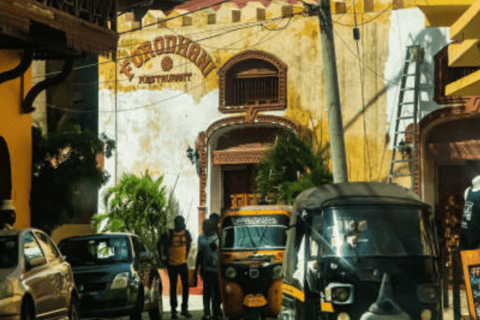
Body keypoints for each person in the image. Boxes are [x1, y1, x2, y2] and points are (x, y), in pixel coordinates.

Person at [159, 216, 192, 319]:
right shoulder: (168, 234)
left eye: (182, 222)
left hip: (183, 264)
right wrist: (162, 258)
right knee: (173, 288)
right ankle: (173, 311)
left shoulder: (186, 233)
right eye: (179, 222)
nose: (181, 224)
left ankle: (184, 309)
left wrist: (185, 256)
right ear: (175, 223)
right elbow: (158, 244)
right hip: (171, 265)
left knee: (186, 286)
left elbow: (189, 244)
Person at [195, 218, 221, 320]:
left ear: (211, 227)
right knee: (206, 292)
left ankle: (216, 312)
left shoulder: (218, 237)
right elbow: (199, 254)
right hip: (207, 270)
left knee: (217, 292)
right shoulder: (201, 238)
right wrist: (197, 268)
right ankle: (206, 312)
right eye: (203, 226)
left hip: (218, 271)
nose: (203, 228)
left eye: (205, 226)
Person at [460, 176, 480, 250]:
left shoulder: (468, 192)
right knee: (467, 260)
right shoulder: (468, 191)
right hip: (466, 238)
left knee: (474, 261)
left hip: (476, 241)